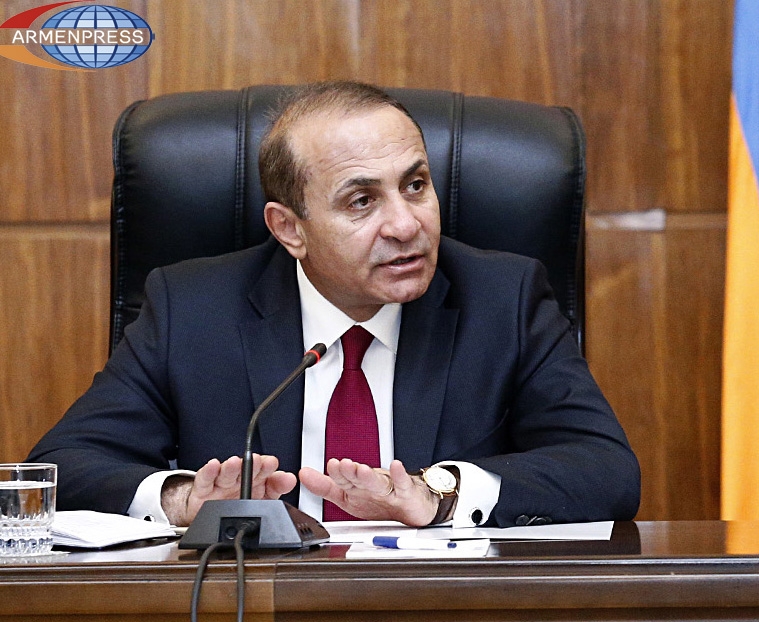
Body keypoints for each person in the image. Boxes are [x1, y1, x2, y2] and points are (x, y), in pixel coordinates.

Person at [28, 81, 640, 529]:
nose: (406, 225)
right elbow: (60, 468)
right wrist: (183, 499)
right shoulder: (191, 310)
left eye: (415, 185)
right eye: (361, 201)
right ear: (289, 228)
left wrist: (443, 494)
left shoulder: (504, 299)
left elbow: (607, 469)